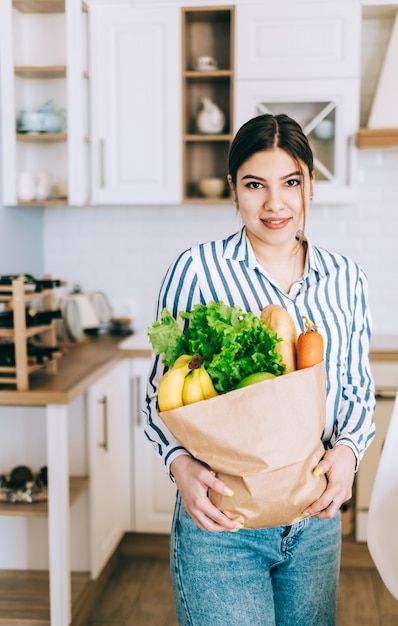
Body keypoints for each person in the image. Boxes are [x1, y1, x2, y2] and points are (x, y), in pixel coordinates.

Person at [144, 113, 376, 626]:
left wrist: (348, 453)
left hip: (313, 522)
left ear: (311, 185)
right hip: (222, 521)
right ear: (233, 188)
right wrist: (181, 467)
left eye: (291, 182)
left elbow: (358, 391)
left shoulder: (346, 279)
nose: (275, 203)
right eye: (255, 184)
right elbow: (158, 397)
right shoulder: (197, 271)